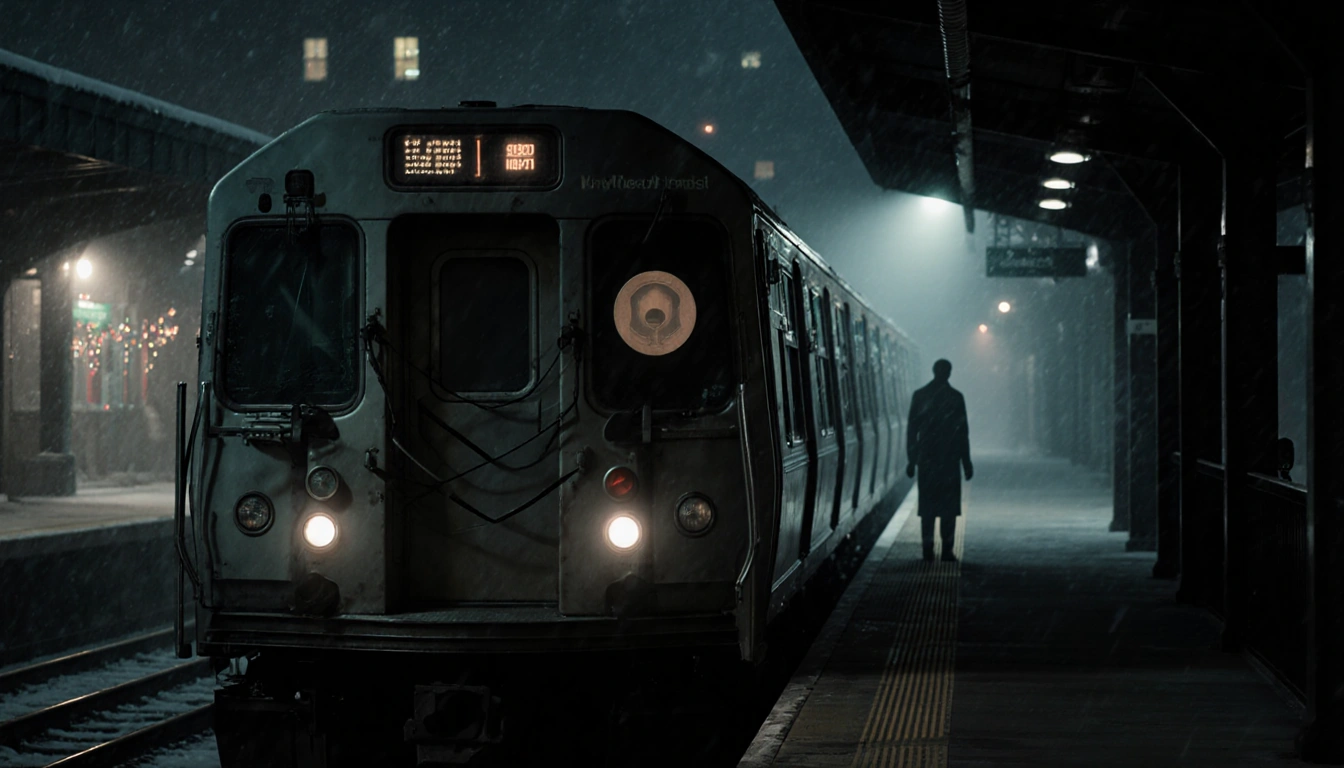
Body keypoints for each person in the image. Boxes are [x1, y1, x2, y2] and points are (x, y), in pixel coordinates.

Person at [906, 359, 972, 562]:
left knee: (927, 507)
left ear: (934, 371)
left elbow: (912, 431)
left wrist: (912, 459)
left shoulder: (920, 395)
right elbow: (963, 433)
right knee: (948, 508)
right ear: (949, 373)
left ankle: (927, 549)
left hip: (927, 460)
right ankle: (947, 550)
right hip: (949, 461)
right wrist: (966, 462)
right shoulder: (956, 397)